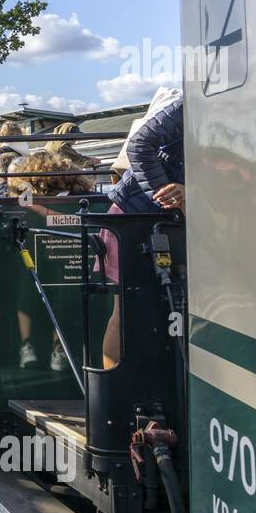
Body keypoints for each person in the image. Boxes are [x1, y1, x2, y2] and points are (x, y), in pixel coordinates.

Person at [101, 90, 184, 367]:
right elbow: (140, 145)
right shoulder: (190, 104)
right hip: (132, 217)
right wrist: (168, 195)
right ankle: (112, 392)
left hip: (157, 219)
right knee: (124, 310)